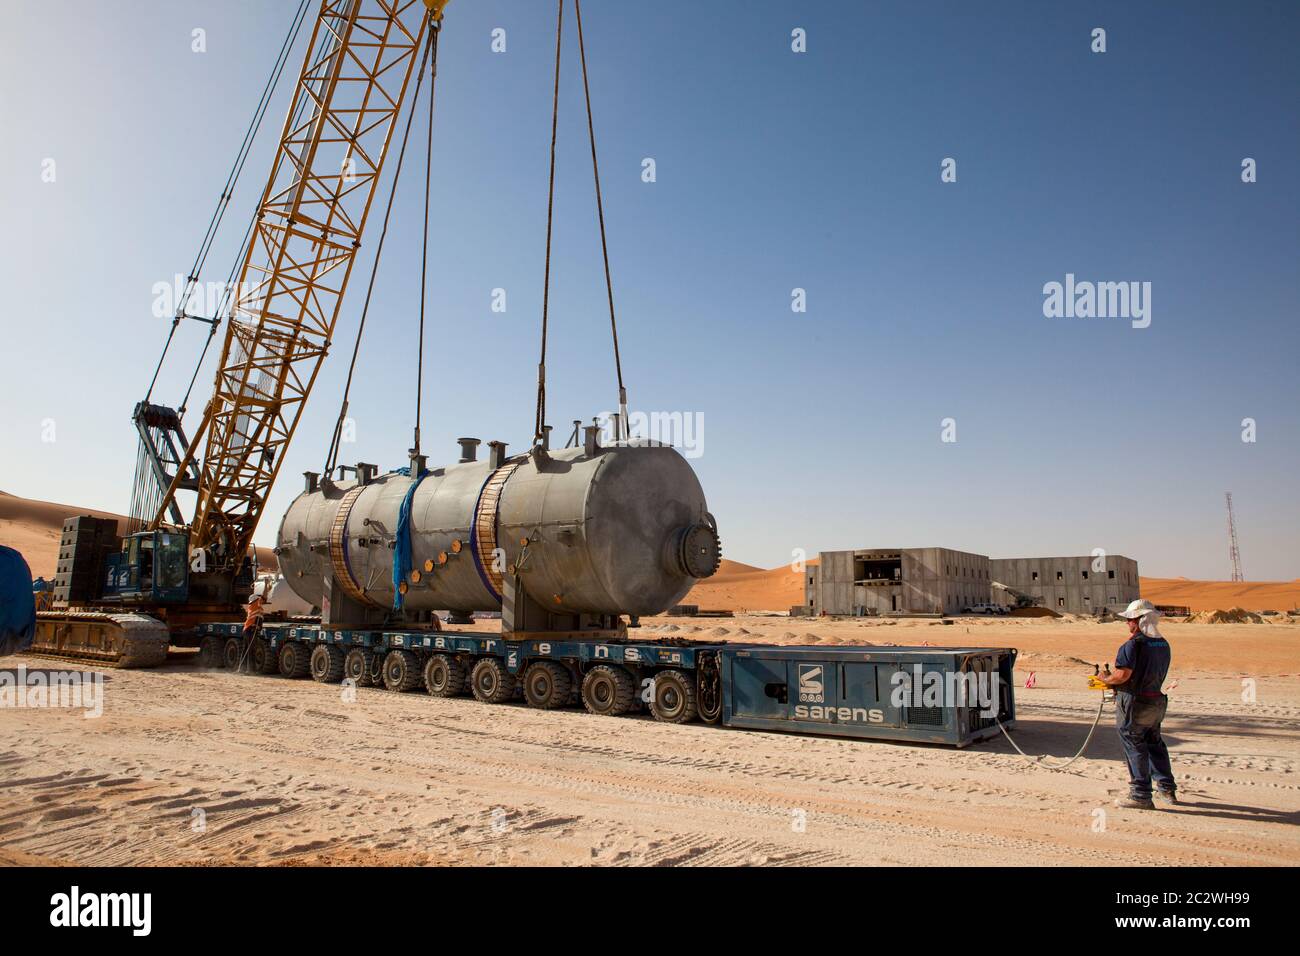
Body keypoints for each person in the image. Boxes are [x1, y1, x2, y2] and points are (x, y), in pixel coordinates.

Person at [1102, 598, 1177, 809]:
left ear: (1138, 620)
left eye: (1130, 620)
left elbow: (1122, 675)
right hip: (1156, 701)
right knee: (1155, 744)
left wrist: (1105, 679)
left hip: (1135, 703)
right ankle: (1166, 788)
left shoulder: (1132, 645)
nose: (1128, 623)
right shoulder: (1163, 644)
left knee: (1134, 745)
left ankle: (1140, 794)